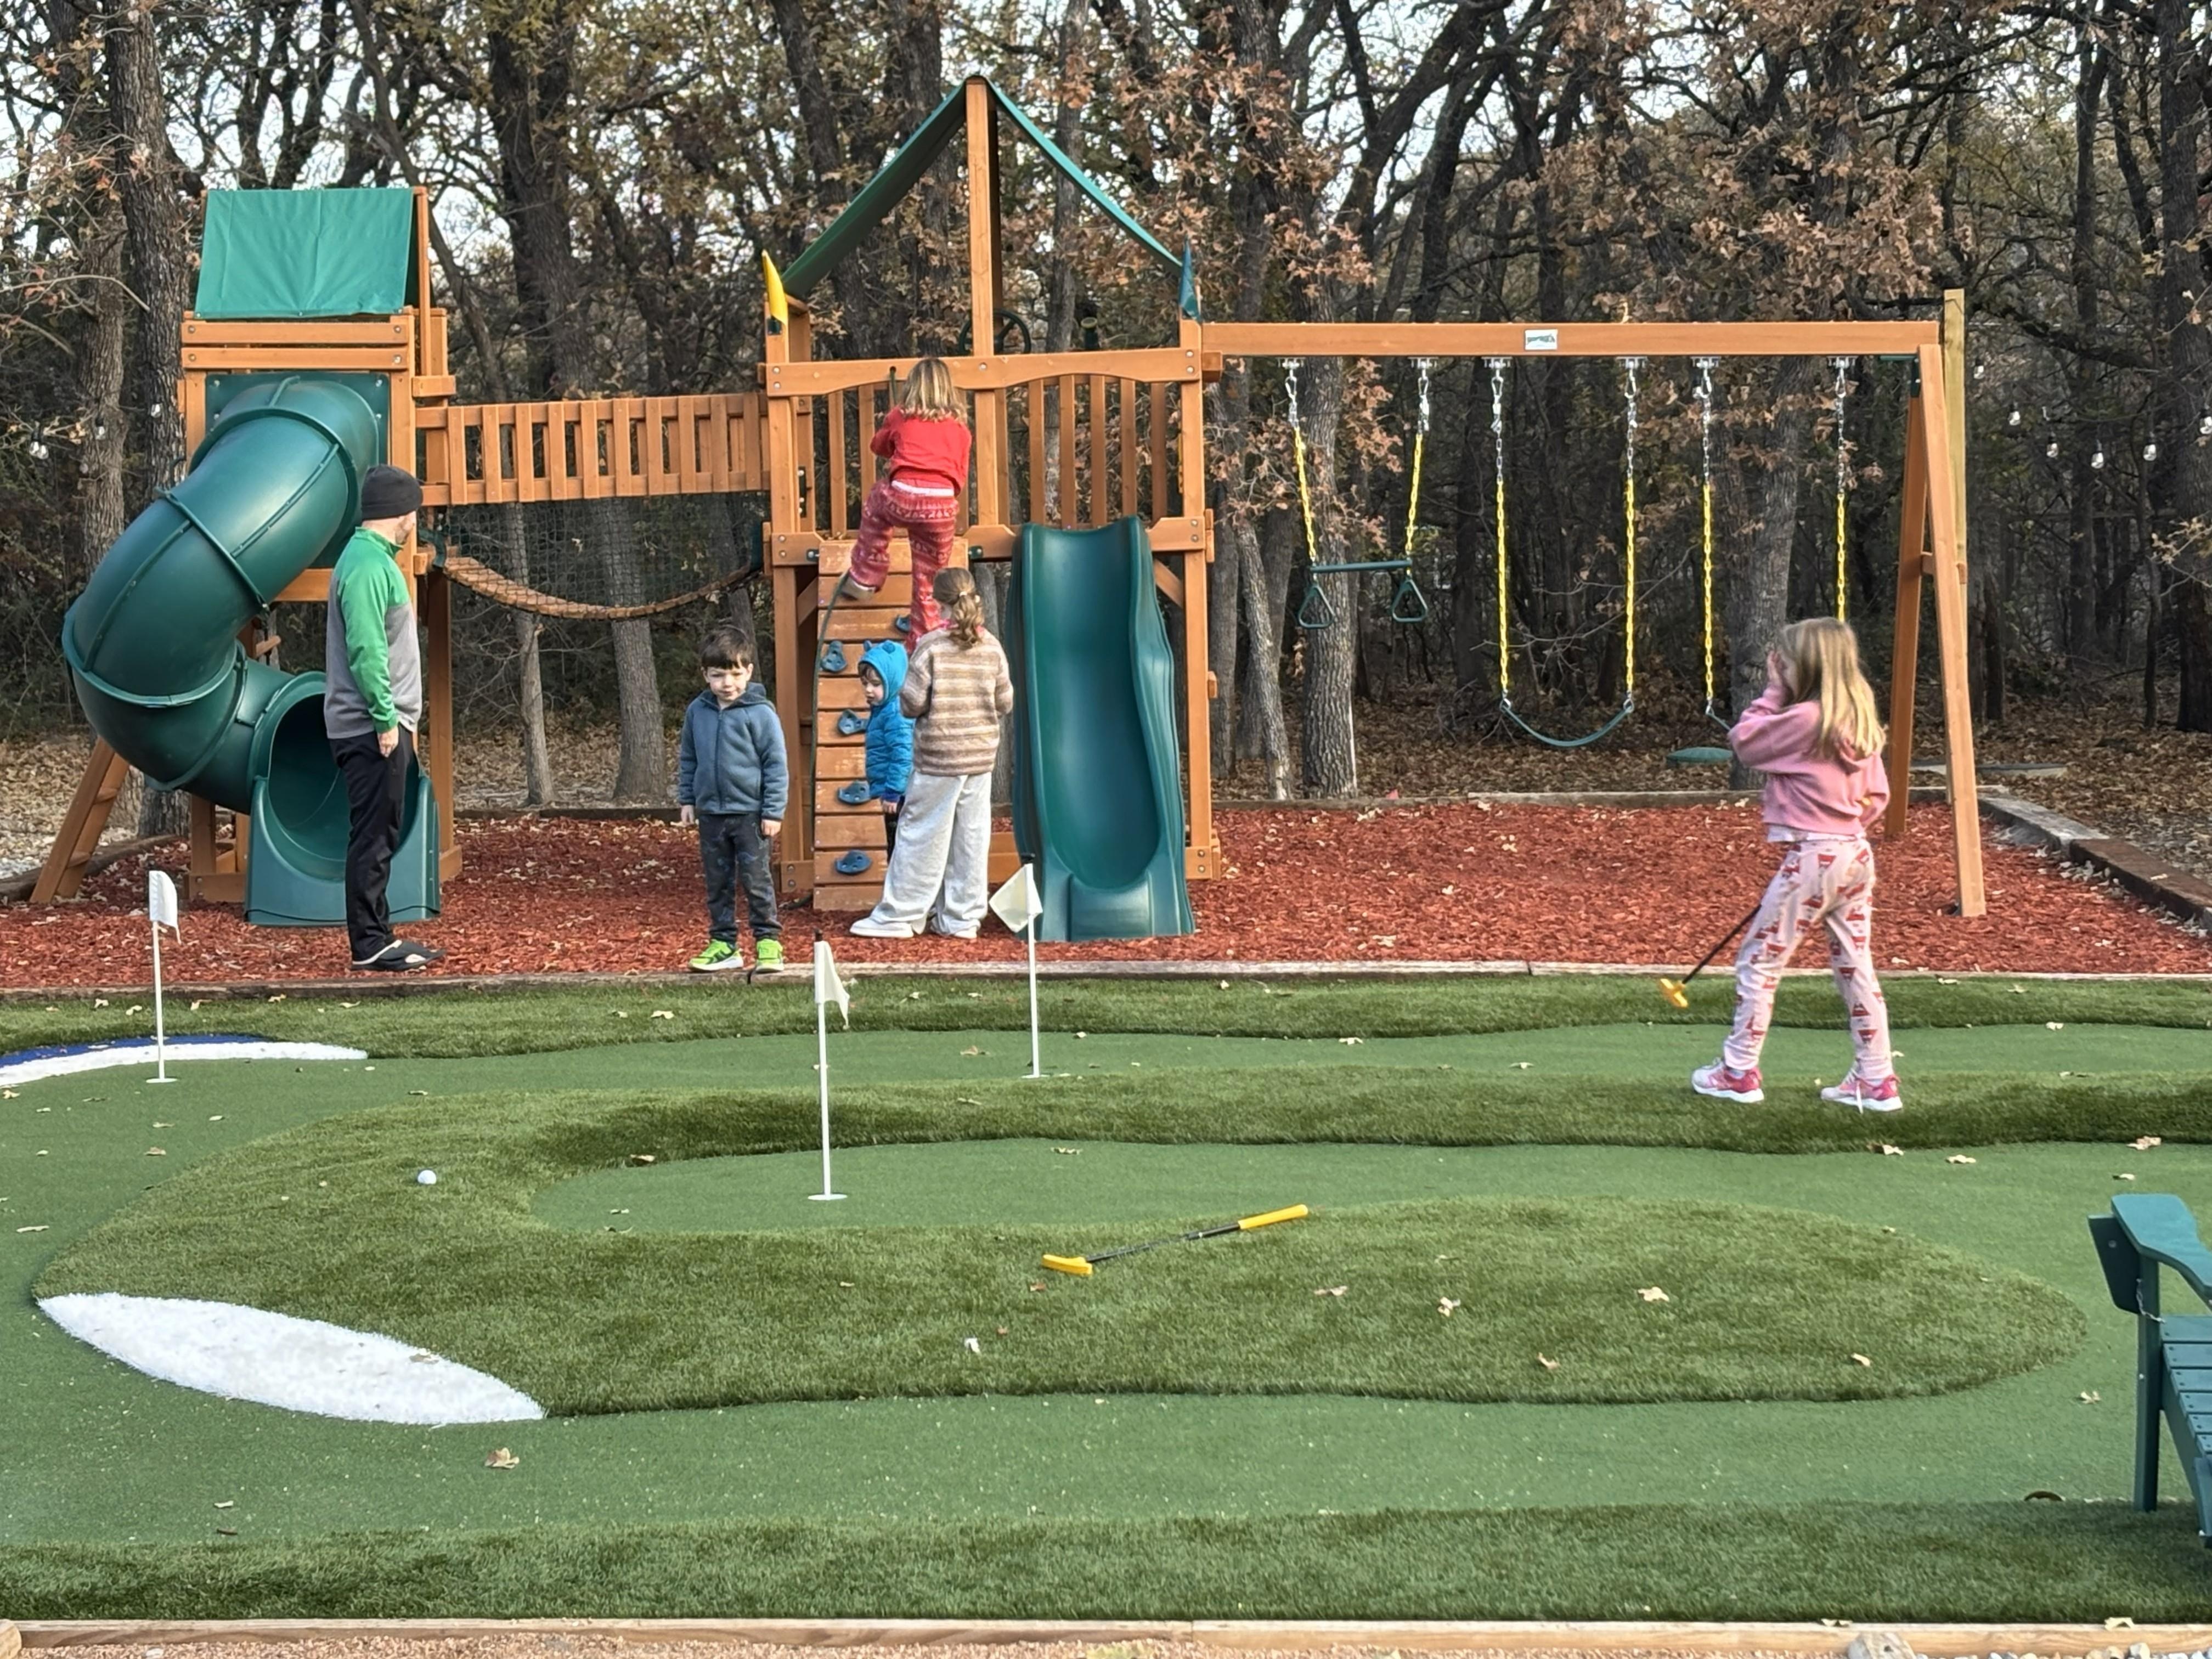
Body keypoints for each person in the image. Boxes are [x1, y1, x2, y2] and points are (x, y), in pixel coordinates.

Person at [1692, 617, 1899, 1112]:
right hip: (1854, 853)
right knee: (1856, 967)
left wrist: (1772, 690)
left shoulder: (1805, 718)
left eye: (1782, 660)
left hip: (1816, 855)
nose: (1777, 666)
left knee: (1759, 962)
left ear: (1798, 665)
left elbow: (1745, 742)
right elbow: (1878, 797)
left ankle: (1738, 1071)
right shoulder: (1857, 717)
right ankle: (1876, 1079)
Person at [325, 464, 444, 972]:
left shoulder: (367, 559)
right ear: (399, 513)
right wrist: (385, 718)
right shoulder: (369, 567)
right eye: (413, 509)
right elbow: (367, 650)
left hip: (376, 723)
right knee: (374, 835)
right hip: (371, 726)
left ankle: (379, 934)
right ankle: (369, 942)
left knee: (380, 832)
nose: (415, 519)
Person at [850, 568, 1011, 940]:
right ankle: (961, 919)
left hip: (939, 758)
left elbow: (910, 703)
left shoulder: (933, 646)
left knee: (920, 833)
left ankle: (901, 916)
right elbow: (1005, 700)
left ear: (938, 602)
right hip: (980, 759)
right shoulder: (991, 647)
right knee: (969, 838)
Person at [676, 627, 787, 973]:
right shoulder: (698, 711)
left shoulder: (761, 713)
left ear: (749, 671)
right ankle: (724, 945)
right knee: (717, 883)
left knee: (756, 880)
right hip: (711, 814)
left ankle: (768, 942)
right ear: (705, 675)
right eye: (719, 675)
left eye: (736, 674)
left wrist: (772, 810)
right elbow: (688, 757)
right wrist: (688, 799)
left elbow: (776, 763)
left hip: (751, 815)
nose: (728, 683)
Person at [843, 357, 970, 639]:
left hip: (904, 498)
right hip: (942, 508)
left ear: (911, 388)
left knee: (877, 501)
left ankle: (866, 575)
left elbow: (878, 445)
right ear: (949, 391)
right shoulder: (961, 429)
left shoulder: (901, 416)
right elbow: (959, 475)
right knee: (929, 579)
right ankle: (925, 644)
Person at [859, 640, 913, 859]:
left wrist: (893, 791)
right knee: (894, 845)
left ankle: (901, 891)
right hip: (892, 793)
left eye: (875, 684)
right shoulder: (883, 710)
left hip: (899, 796)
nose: (869, 690)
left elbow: (903, 754)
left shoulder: (895, 712)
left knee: (899, 848)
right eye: (865, 684)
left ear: (893, 681)